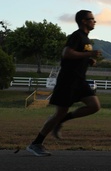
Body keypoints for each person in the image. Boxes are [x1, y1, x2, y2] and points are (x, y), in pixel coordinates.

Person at [26, 10, 103, 156]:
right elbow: (66, 53)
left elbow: (77, 56)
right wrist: (89, 54)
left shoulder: (86, 39)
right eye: (91, 19)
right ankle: (36, 143)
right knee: (59, 113)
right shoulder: (77, 36)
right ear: (83, 21)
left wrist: (88, 60)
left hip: (79, 80)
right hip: (67, 80)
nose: (94, 21)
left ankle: (63, 120)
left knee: (94, 106)